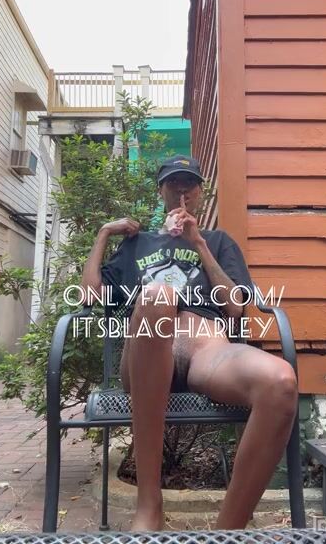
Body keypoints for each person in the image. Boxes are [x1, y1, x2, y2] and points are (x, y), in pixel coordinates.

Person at [81, 155, 297, 531]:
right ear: (160, 191)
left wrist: (199, 244)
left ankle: (227, 532)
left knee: (281, 382)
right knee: (158, 294)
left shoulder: (217, 241)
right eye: (173, 183)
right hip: (146, 355)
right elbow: (88, 295)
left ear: (199, 193)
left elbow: (235, 307)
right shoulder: (137, 244)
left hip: (207, 351)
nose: (182, 190)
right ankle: (149, 506)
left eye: (190, 184)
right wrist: (103, 234)